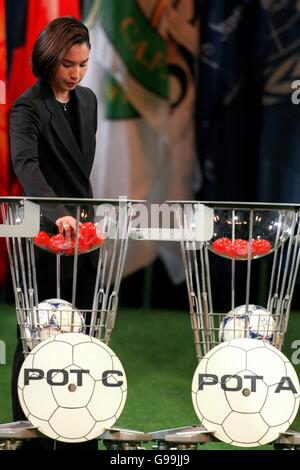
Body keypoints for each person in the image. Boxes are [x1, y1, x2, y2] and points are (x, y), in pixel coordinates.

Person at [10, 17, 98, 450]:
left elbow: (82, 176)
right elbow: (27, 168)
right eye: (68, 64)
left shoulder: (90, 101)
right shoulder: (26, 107)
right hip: (44, 233)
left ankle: (80, 427)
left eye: (82, 64)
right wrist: (60, 214)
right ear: (48, 58)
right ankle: (26, 431)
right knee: (37, 333)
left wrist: (86, 220)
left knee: (85, 333)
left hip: (86, 235)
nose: (76, 73)